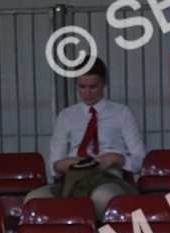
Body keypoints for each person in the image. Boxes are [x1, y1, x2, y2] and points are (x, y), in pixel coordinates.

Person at [27, 57, 145, 220]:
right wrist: (65, 164)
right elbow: (53, 166)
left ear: (104, 83)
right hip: (73, 178)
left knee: (101, 199)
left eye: (93, 87)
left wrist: (117, 159)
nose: (87, 93)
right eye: (82, 87)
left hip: (107, 176)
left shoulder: (122, 114)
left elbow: (139, 161)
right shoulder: (66, 116)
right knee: (33, 200)